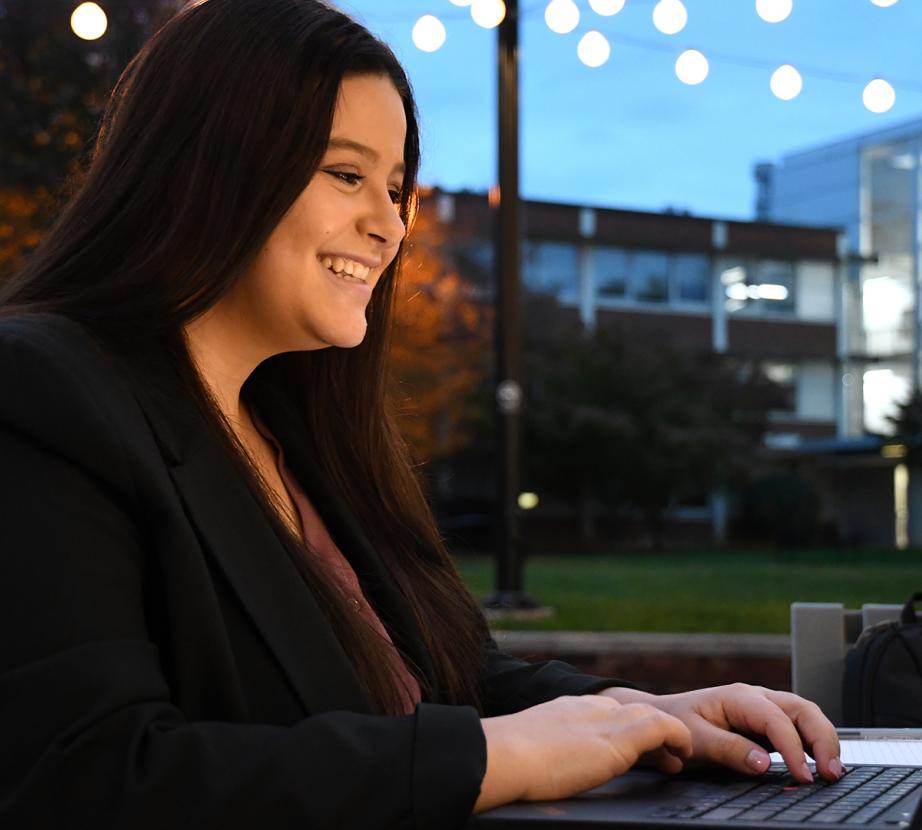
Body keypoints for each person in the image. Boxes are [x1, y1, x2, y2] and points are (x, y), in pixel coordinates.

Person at [0, 0, 842, 827]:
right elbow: (88, 777)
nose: (390, 225)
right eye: (346, 174)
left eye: (397, 186)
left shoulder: (298, 429)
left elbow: (450, 678)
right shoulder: (45, 390)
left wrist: (648, 715)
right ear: (210, 162)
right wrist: (491, 759)